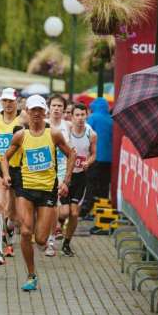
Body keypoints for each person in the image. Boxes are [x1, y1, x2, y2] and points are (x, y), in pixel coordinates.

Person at [1, 95, 75, 291]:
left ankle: (40, 237)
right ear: (27, 111)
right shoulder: (21, 135)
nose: (35, 113)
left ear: (45, 112)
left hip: (47, 191)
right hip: (26, 189)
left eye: (39, 110)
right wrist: (6, 175)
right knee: (25, 231)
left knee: (41, 239)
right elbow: (4, 157)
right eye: (32, 110)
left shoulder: (54, 134)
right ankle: (31, 274)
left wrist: (66, 180)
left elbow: (72, 154)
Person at [0, 88, 27, 265]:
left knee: (14, 215)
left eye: (11, 101)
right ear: (1, 102)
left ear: (17, 101)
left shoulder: (23, 118)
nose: (8, 104)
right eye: (5, 101)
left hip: (18, 168)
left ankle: (9, 230)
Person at [59, 103, 97, 257]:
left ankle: (66, 243)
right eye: (77, 115)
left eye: (83, 115)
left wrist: (89, 161)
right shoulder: (66, 131)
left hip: (80, 177)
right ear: (72, 116)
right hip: (65, 176)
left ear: (86, 115)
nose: (80, 118)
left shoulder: (91, 134)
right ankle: (56, 228)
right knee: (63, 212)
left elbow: (94, 153)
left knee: (74, 213)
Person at [45, 94, 72, 256]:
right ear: (49, 108)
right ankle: (44, 233)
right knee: (45, 207)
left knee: (54, 205)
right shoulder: (42, 124)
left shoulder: (67, 125)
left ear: (64, 109)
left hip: (60, 168)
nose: (56, 109)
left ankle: (51, 241)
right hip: (43, 169)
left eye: (59, 106)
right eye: (54, 105)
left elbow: (72, 149)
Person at [85, 97, 113, 203]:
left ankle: (89, 206)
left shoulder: (93, 117)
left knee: (91, 182)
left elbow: (86, 133)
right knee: (104, 184)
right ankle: (102, 205)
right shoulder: (111, 120)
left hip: (95, 156)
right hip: (108, 158)